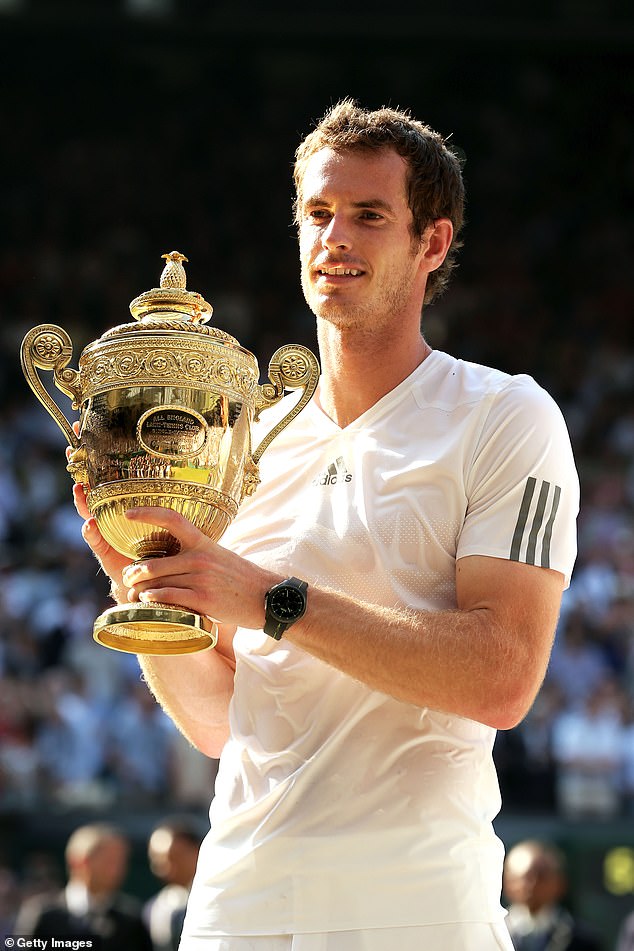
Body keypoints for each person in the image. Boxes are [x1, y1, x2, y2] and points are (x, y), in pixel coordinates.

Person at [73, 100, 579, 950]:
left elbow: (503, 675)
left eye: (368, 215)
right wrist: (154, 586)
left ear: (432, 244)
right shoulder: (238, 438)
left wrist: (270, 599)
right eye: (317, 213)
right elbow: (223, 721)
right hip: (238, 904)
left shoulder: (505, 415)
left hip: (418, 910)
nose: (332, 236)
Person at [14, 822, 153, 950]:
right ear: (79, 862)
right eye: (108, 861)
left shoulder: (131, 920)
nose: (117, 870)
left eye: (122, 861)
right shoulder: (43, 915)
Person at [503, 839, 602, 951]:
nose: (532, 884)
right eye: (524, 877)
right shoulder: (491, 933)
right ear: (507, 882)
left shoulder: (582, 939)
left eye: (541, 876)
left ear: (560, 883)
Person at [144, 817, 203, 951]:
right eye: (156, 859)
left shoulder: (220, 896)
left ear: (197, 852)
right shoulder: (155, 908)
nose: (165, 867)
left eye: (174, 857)